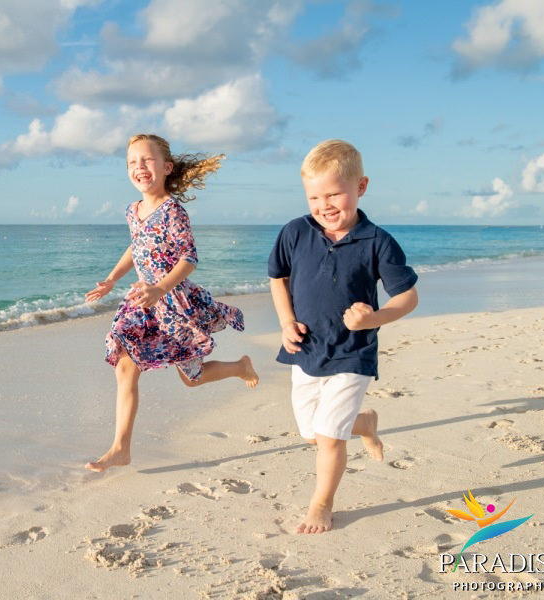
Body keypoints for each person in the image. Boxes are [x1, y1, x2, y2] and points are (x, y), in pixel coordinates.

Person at [268, 139, 419, 533]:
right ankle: (365, 423)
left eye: (334, 193)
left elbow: (407, 297)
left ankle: (321, 503)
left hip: (354, 354)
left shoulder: (378, 241)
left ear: (361, 187)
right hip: (306, 351)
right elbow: (278, 279)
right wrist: (286, 322)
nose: (324, 205)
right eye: (314, 196)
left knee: (330, 437)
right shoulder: (295, 232)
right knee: (311, 433)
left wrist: (373, 319)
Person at [84, 133, 259, 472]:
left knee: (191, 378)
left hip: (172, 302)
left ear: (166, 167)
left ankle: (240, 367)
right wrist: (111, 279)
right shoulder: (132, 211)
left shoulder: (173, 211)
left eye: (146, 160)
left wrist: (160, 289)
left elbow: (189, 259)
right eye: (132, 162)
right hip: (140, 302)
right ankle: (121, 448)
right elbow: (136, 249)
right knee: (124, 364)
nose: (139, 167)